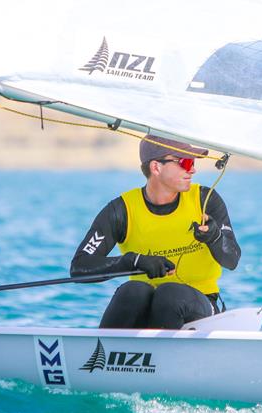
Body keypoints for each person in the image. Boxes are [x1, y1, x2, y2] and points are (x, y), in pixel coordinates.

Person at [70, 134, 241, 329]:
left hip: (201, 305)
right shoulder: (122, 210)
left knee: (170, 294)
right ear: (156, 167)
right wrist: (133, 261)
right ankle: (100, 354)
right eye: (185, 162)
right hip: (146, 306)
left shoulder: (205, 200)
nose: (192, 169)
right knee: (131, 291)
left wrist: (214, 237)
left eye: (192, 162)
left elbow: (232, 260)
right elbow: (80, 267)